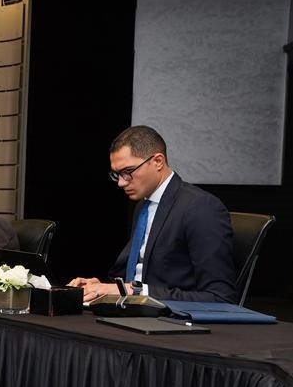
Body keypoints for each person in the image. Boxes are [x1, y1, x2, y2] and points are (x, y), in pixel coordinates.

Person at [67, 126, 237, 303]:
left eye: (128, 172)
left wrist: (135, 292)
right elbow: (141, 277)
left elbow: (220, 297)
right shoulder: (143, 205)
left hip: (170, 317)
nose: (121, 183)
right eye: (117, 174)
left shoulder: (201, 207)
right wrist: (102, 287)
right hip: (136, 310)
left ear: (158, 161)